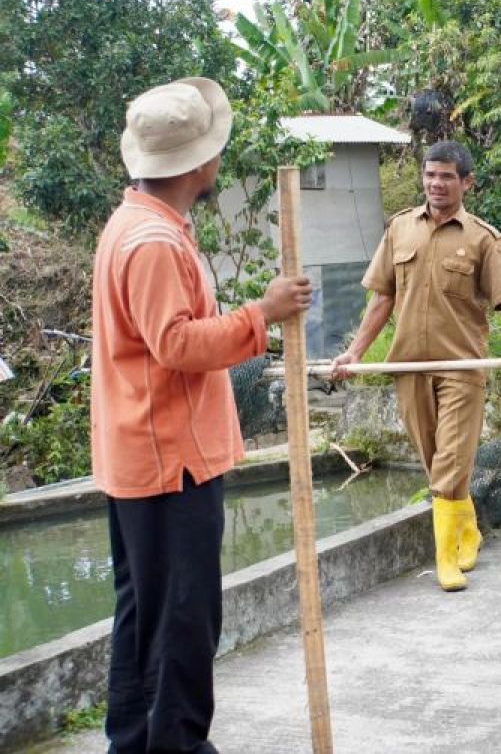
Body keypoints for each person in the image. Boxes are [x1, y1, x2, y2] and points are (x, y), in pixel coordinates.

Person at [93, 77, 313, 753]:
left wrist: (245, 316)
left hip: (144, 453)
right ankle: (179, 745)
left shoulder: (139, 226)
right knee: (184, 621)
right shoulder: (153, 243)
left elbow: (172, 331)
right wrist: (262, 315)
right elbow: (177, 344)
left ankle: (134, 741)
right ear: (197, 166)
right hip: (170, 461)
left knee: (147, 619)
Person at [331, 141, 501, 592]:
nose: (436, 184)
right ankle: (467, 527)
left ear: (466, 183)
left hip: (461, 367)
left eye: (446, 177)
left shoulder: (482, 238)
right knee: (433, 456)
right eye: (430, 175)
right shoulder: (400, 229)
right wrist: (356, 353)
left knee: (451, 460)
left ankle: (444, 559)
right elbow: (382, 298)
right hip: (407, 368)